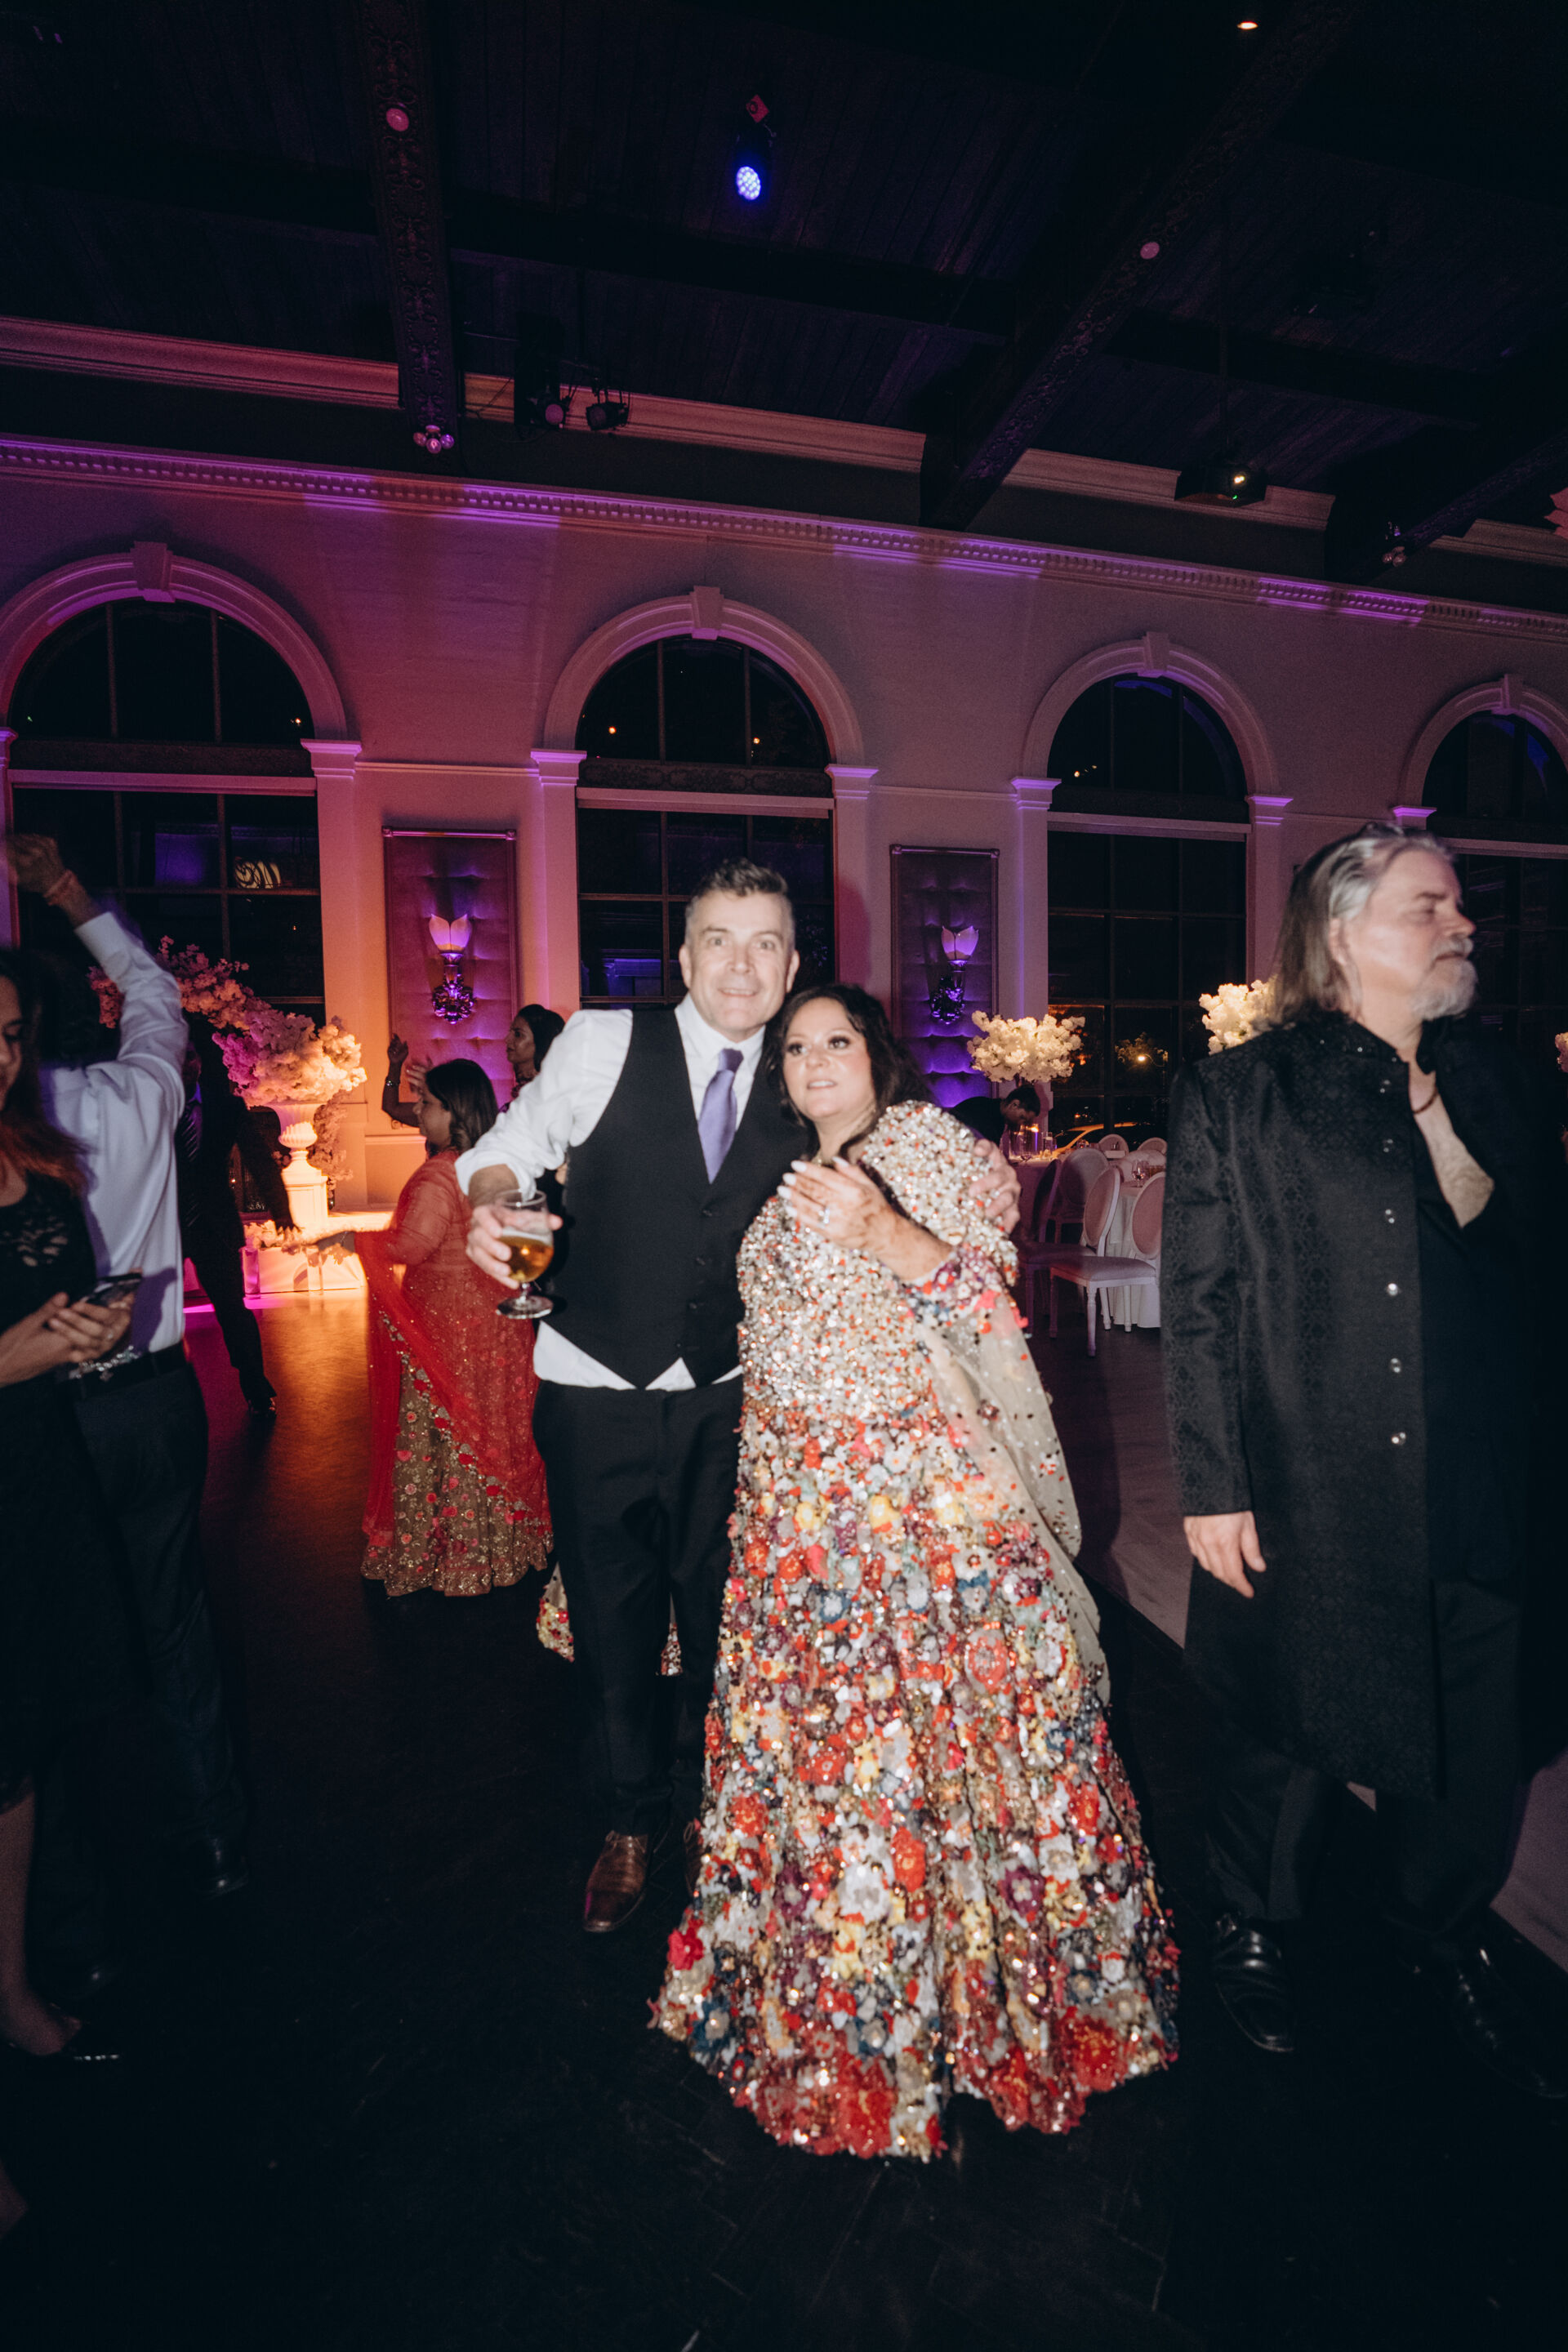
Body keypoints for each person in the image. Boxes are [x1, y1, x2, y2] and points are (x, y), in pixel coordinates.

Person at [653, 984, 1177, 2158]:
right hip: (800, 1521)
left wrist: (891, 1237)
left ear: (877, 1054)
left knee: (931, 1746)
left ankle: (980, 2004)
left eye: (836, 1040)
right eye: (795, 1047)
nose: (814, 1060)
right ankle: (846, 2002)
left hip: (917, 1518)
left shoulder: (926, 1148)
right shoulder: (786, 1173)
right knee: (832, 1758)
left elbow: (988, 1305)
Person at [460, 860, 1022, 1935]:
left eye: (765, 943)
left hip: (731, 1399)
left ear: (793, 962)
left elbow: (894, 1134)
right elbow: (506, 1152)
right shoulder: (602, 1041)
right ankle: (631, 1818)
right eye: (719, 939)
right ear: (684, 956)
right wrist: (494, 1205)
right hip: (592, 1386)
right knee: (614, 1617)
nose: (741, 965)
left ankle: (718, 1805)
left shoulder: (802, 1068)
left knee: (726, 1615)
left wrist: (983, 1170)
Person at [1162, 825, 1568, 2099]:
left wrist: (1434, 1104)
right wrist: (1213, 1482)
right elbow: (1204, 1302)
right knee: (1285, 1725)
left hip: (1488, 1475)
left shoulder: (1500, 1083)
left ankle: (1436, 1925)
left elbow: (1538, 1268)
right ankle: (1249, 1916)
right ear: (1341, 932)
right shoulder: (1244, 1093)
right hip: (1317, 1476)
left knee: (1479, 1733)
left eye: (1460, 904)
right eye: (1426, 907)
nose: (1461, 925)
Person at [7, 834, 253, 1950]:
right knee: (176, 1620)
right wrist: (69, 892)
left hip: (59, 1416)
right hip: (159, 1399)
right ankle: (216, 1837)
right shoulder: (146, 1086)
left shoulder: (18, 1136)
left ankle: (76, 1900)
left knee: (49, 1644)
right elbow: (155, 992)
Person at [0, 947, 136, 2057]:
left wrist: (97, 1331)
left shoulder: (36, 1161)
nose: (0, 1060)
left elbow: (68, 1300)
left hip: (37, 1480)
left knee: (23, 1746)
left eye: (9, 1037)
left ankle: (13, 1985)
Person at [354, 1058, 550, 1598]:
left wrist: (354, 1241)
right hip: (501, 1324)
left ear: (454, 1111)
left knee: (454, 1435)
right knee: (495, 1431)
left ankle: (453, 1554)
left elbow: (413, 1246)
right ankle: (506, 1547)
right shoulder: (501, 1164)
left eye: (427, 1104)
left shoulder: (441, 1173)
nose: (418, 1113)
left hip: (448, 1331)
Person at [177, 1018, 294, 1417]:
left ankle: (257, 1389)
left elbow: (259, 1159)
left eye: (189, 1056)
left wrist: (281, 1209)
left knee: (233, 1310)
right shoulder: (150, 1106)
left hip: (214, 1224)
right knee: (157, 1316)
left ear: (198, 1061)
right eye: (175, 1056)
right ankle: (169, 1400)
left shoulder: (225, 1105)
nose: (184, 1064)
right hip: (164, 1226)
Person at [504, 1004, 565, 1099]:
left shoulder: (550, 1094)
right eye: (510, 1032)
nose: (507, 1040)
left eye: (518, 1034)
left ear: (541, 1041)